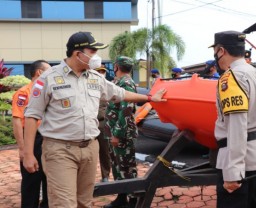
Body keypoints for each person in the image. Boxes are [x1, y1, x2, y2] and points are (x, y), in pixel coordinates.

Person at [22, 31, 167, 208]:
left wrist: (151, 98)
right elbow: (31, 115)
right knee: (63, 204)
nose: (95, 56)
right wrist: (28, 154)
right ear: (78, 53)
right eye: (92, 51)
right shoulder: (48, 78)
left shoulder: (95, 78)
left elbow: (121, 94)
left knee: (85, 202)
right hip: (60, 150)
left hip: (90, 149)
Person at [209, 30, 256, 208]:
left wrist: (233, 172)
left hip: (242, 166)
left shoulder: (231, 78)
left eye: (215, 51)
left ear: (221, 50)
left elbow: (237, 127)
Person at [12, 60, 50, 208]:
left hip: (49, 138)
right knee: (31, 179)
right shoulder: (23, 93)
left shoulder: (48, 91)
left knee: (49, 178)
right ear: (39, 72)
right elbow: (17, 121)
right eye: (49, 69)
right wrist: (22, 149)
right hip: (32, 139)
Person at [103, 56, 138, 208]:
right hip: (114, 132)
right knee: (118, 166)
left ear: (116, 66)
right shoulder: (118, 82)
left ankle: (133, 200)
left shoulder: (126, 83)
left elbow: (126, 110)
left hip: (122, 134)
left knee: (127, 167)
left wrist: (117, 134)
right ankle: (122, 197)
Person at [95, 65, 111, 182]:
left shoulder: (108, 87)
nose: (101, 73)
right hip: (88, 124)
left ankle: (105, 176)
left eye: (102, 72)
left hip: (102, 124)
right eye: (98, 71)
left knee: (105, 152)